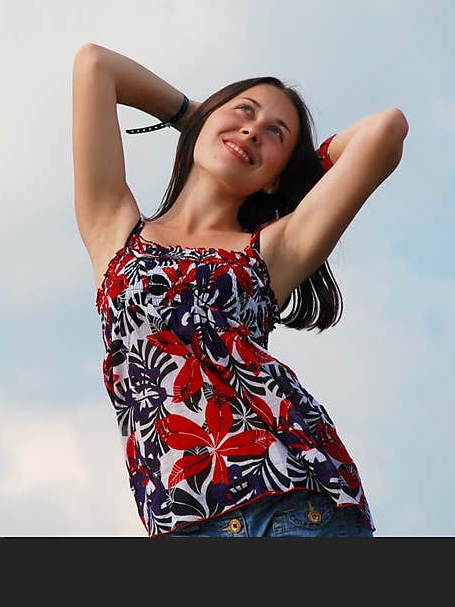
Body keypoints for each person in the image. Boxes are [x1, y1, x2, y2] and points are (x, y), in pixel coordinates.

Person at [72, 43, 408, 537]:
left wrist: (293, 169)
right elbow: (96, 64)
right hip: (183, 520)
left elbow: (387, 129)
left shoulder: (272, 251)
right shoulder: (115, 230)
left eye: (276, 133)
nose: (253, 130)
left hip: (295, 499)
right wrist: (192, 115)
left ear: (275, 178)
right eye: (243, 113)